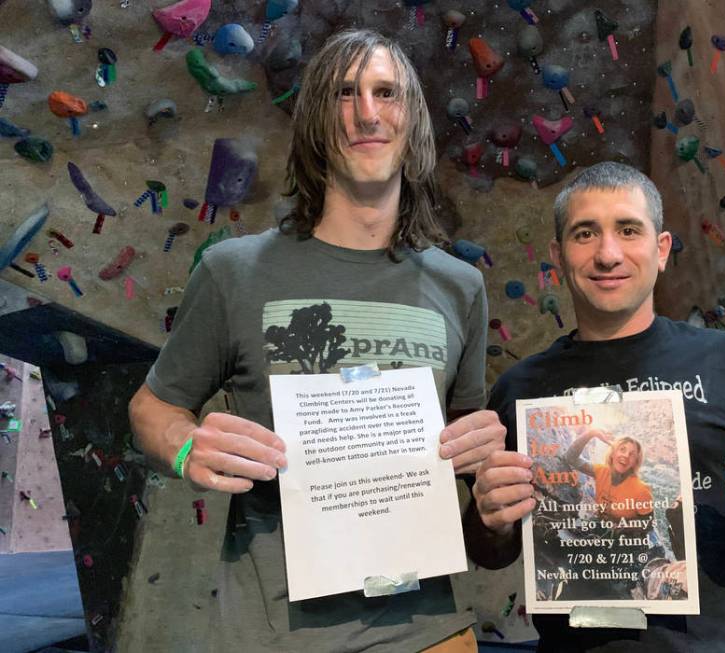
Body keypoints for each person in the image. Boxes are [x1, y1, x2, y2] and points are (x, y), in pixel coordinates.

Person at [129, 28, 504, 653]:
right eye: (343, 94)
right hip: (275, 633)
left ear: (411, 121)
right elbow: (152, 406)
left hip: (430, 632)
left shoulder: (460, 285)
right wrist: (183, 446)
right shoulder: (234, 272)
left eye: (386, 93)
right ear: (314, 123)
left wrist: (487, 460)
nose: (366, 113)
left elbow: (466, 450)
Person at [465, 162, 725, 652]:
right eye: (585, 233)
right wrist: (490, 517)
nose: (607, 254)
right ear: (557, 255)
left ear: (661, 250)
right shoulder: (519, 388)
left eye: (628, 230)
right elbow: (490, 551)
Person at [564, 429, 653, 520]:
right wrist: (591, 433)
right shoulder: (601, 472)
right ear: (612, 454)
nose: (626, 455)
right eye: (622, 449)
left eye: (632, 454)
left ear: (635, 462)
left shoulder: (641, 490)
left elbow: (647, 523)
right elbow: (571, 458)